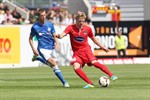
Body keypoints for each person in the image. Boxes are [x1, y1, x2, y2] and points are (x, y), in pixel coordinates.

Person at [56, 11, 118, 89]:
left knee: (94, 63)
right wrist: (59, 36)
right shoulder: (70, 27)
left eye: (83, 21)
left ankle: (111, 75)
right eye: (79, 21)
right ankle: (90, 83)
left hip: (86, 50)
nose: (81, 23)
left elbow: (94, 39)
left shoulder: (88, 28)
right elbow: (62, 34)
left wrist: (103, 47)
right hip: (77, 52)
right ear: (76, 20)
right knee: (76, 67)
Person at [29, 9, 70, 88]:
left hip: (51, 47)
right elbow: (30, 39)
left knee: (53, 65)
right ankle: (65, 82)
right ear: (38, 17)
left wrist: (57, 43)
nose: (44, 17)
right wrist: (34, 49)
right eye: (42, 15)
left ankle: (39, 58)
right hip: (42, 48)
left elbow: (54, 35)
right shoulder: (35, 27)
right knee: (54, 63)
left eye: (44, 15)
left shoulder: (50, 25)